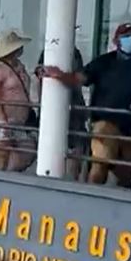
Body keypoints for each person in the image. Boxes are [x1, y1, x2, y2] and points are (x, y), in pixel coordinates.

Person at [43, 23, 131, 188]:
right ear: (117, 40)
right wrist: (59, 75)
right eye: (127, 36)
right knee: (100, 163)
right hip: (105, 122)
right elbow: (80, 78)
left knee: (126, 172)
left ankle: (121, 204)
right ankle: (90, 198)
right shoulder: (105, 61)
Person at [0, 31, 36, 172]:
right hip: (0, 119)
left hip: (17, 121)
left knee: (27, 151)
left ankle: (6, 178)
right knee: (0, 155)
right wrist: (2, 122)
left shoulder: (19, 66)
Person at [35, 47, 86, 180]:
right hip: (56, 109)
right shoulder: (48, 53)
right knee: (55, 148)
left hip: (74, 109)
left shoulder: (73, 53)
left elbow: (80, 79)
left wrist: (60, 75)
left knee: (75, 149)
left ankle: (71, 180)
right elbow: (40, 79)